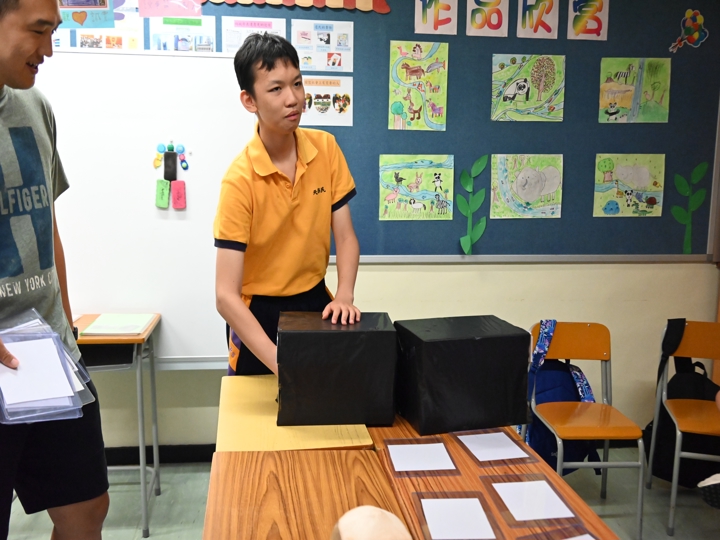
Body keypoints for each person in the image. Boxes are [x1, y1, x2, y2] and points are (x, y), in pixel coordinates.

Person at [0, 0, 109, 538]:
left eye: (53, 31)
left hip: (49, 352)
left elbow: (46, 227)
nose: (48, 50)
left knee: (86, 510)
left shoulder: (35, 105)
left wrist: (65, 323)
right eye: (38, 31)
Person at [214, 33, 361, 376]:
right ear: (249, 100)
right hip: (258, 315)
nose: (293, 99)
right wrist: (280, 362)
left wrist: (345, 295)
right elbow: (225, 296)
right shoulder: (239, 180)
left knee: (327, 397)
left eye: (297, 83)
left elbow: (346, 237)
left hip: (315, 303)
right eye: (276, 89)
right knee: (261, 406)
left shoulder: (326, 148)